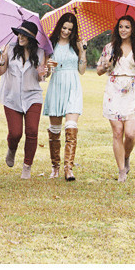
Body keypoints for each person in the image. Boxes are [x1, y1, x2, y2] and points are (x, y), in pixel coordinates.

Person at [96, 15, 135, 182]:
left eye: (127, 27)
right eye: (121, 26)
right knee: (117, 132)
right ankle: (122, 170)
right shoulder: (110, 48)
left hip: (131, 91)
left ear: (132, 29)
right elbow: (99, 71)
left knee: (129, 134)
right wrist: (105, 66)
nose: (123, 30)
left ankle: (126, 155)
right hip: (113, 91)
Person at [0, 20, 47, 180]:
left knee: (32, 131)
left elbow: (41, 78)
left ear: (31, 38)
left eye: (24, 35)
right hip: (11, 97)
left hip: (32, 96)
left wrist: (42, 72)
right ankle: (12, 149)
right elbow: (1, 71)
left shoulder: (40, 52)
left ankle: (27, 166)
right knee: (15, 133)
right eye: (19, 34)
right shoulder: (10, 48)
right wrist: (3, 57)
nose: (20, 37)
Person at [43, 13, 87, 181]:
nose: (66, 32)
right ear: (59, 26)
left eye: (70, 29)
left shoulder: (76, 44)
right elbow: (45, 75)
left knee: (71, 126)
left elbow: (82, 70)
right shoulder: (50, 44)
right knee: (55, 130)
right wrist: (48, 67)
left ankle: (68, 168)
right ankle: (55, 167)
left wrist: (82, 52)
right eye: (64, 28)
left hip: (73, 86)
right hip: (56, 85)